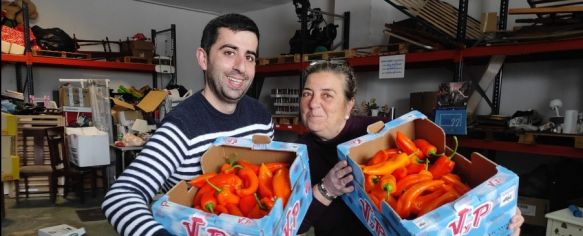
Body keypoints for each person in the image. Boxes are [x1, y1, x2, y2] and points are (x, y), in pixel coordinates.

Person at [295, 61, 524, 235]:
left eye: (327, 95)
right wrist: (326, 190)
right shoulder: (298, 156)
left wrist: (496, 208)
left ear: (349, 104)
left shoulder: (381, 132)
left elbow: (452, 178)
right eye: (307, 93)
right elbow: (296, 225)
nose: (313, 103)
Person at [102, 13, 273, 236]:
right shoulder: (181, 127)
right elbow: (120, 197)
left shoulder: (261, 117)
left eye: (249, 57)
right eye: (229, 53)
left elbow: (265, 184)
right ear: (203, 59)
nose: (241, 66)